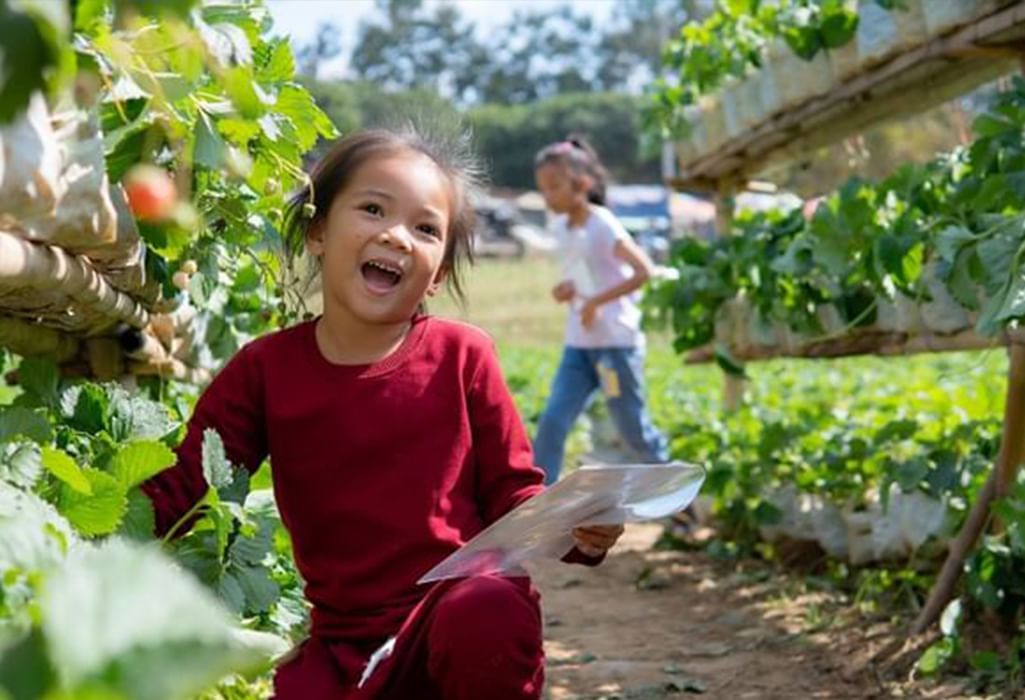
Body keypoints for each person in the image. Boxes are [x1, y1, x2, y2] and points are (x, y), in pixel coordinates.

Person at [141, 127, 625, 700]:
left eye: (426, 229)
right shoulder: (265, 371)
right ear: (318, 231)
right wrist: (83, 541)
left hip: (454, 613)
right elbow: (185, 489)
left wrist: (578, 528)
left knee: (489, 608)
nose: (397, 236)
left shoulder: (463, 356)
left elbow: (513, 494)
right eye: (373, 209)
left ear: (439, 272)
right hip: (343, 646)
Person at [532, 136, 669, 485]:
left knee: (633, 430)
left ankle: (676, 499)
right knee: (552, 421)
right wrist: (569, 292)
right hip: (579, 346)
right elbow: (582, 279)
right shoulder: (562, 228)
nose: (547, 196)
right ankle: (532, 503)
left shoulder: (602, 224)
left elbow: (643, 270)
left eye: (554, 187)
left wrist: (596, 302)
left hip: (615, 348)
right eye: (543, 189)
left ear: (583, 184)